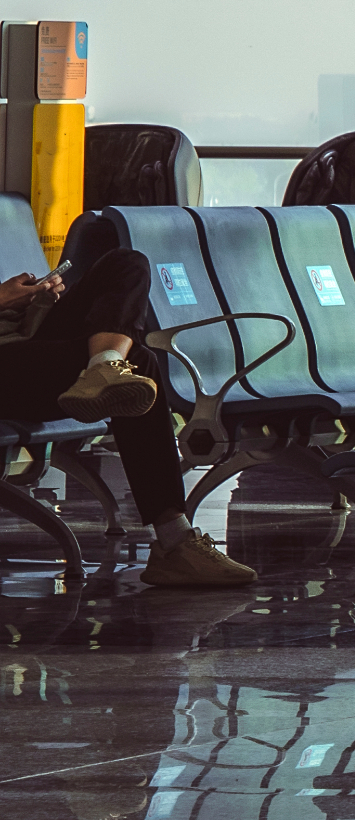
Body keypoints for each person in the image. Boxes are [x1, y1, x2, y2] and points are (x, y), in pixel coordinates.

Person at [0, 245, 255, 589]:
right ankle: (174, 543)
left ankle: (104, 364)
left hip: (20, 342)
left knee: (125, 262)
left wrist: (29, 300)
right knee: (141, 362)